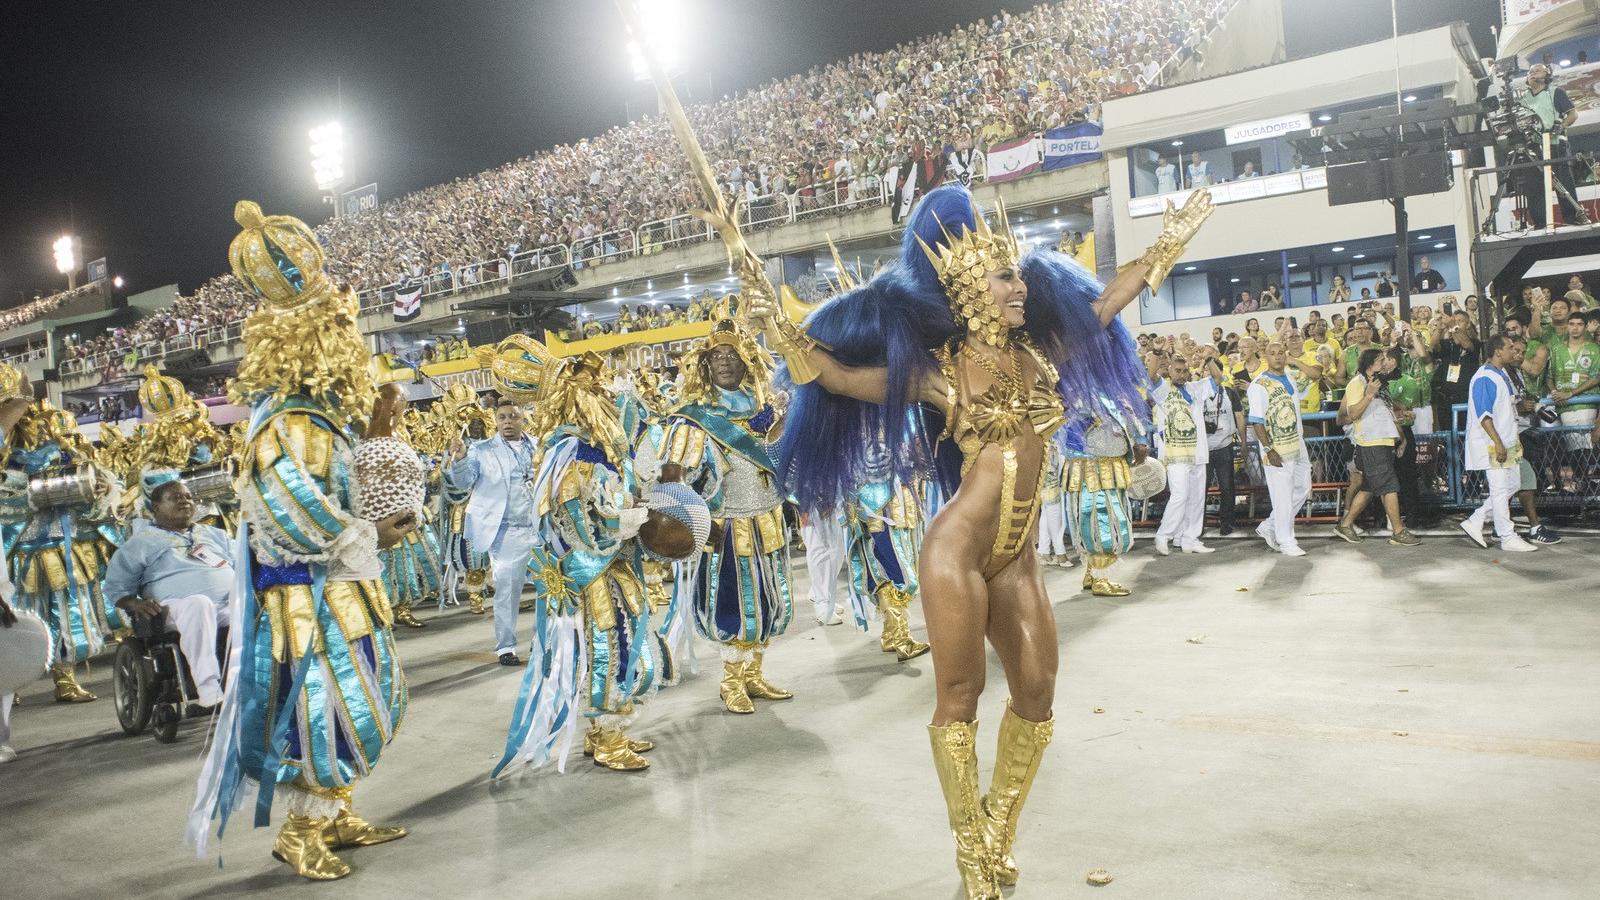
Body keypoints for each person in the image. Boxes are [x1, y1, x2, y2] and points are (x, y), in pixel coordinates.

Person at [762, 183, 1211, 898]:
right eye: (1006, 277)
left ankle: (998, 828)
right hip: (957, 552)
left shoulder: (1040, 354)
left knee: (1036, 696)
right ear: (972, 289)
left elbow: (1105, 305)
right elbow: (842, 379)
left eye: (1018, 276)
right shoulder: (938, 372)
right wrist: (786, 332)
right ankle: (971, 854)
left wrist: (1168, 243)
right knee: (961, 697)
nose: (1021, 286)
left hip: (1018, 561)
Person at [189, 202, 416, 880]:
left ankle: (334, 809)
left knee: (364, 694)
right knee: (320, 706)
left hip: (347, 588)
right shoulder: (285, 422)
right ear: (315, 343)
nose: (357, 347)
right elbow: (289, 515)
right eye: (344, 334)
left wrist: (380, 443)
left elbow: (347, 486)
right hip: (307, 598)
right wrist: (369, 530)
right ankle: (298, 830)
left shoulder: (329, 417)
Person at [482, 335, 662, 773]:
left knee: (620, 639)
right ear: (576, 402)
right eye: (595, 391)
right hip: (591, 571)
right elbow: (577, 521)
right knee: (606, 645)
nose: (604, 395)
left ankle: (606, 730)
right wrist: (630, 520)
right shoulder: (570, 453)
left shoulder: (592, 446)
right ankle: (606, 738)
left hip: (611, 564)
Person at [660, 302, 795, 715]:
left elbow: (783, 461)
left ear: (747, 362)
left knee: (769, 600)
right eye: (716, 356)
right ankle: (730, 681)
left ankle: (753, 674)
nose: (723, 362)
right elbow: (671, 480)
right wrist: (695, 521)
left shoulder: (767, 409)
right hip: (726, 527)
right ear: (704, 366)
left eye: (732, 355)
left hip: (767, 519)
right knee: (732, 603)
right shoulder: (695, 419)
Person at [0, 397, 121, 702]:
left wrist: (100, 488)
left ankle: (64, 679)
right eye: (30, 423)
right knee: (18, 617)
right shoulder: (7, 461)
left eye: (43, 426)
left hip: (66, 547)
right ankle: (9, 680)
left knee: (66, 614)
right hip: (22, 550)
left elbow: (97, 490)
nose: (38, 430)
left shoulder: (67, 454)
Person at [102, 479, 232, 708]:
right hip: (174, 609)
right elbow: (116, 586)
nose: (185, 501)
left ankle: (248, 683)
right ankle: (209, 690)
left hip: (225, 605)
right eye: (176, 498)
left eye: (188, 497)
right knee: (199, 604)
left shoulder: (214, 534)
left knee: (251, 607)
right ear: (156, 508)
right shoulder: (140, 543)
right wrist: (134, 603)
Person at [447, 397, 540, 666]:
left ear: (524, 419)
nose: (508, 421)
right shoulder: (482, 450)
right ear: (496, 421)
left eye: (514, 416)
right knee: (508, 591)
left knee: (548, 589)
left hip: (540, 530)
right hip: (507, 532)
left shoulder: (539, 446)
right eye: (502, 417)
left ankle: (541, 641)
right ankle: (506, 647)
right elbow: (463, 482)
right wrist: (461, 459)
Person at [842, 443, 931, 661]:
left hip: (889, 506)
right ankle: (901, 638)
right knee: (898, 573)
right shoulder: (869, 423)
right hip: (881, 509)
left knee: (885, 571)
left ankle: (891, 634)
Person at [1333, 349, 1421, 546]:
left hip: (1382, 441)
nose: (1387, 363)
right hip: (1370, 442)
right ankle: (1398, 531)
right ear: (1370, 364)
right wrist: (1369, 395)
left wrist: (1400, 429)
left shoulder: (1380, 385)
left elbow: (1383, 413)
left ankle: (1346, 524)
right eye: (1382, 360)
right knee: (1389, 485)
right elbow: (1353, 413)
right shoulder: (1357, 383)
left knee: (1370, 487)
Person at [1460, 336, 1538, 552]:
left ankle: (1476, 520)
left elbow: (1507, 412)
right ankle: (1507, 536)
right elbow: (1484, 416)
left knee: (1512, 484)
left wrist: (1513, 441)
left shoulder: (1501, 374)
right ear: (1497, 351)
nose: (1514, 351)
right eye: (1510, 348)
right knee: (1500, 488)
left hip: (1507, 441)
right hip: (1493, 443)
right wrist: (1498, 443)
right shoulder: (1484, 377)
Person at [1247, 341, 1324, 556]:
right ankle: (1286, 540)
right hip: (1277, 446)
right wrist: (1269, 449)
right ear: (1266, 357)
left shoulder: (1289, 375)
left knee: (1303, 488)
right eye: (1273, 353)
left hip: (1297, 442)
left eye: (1281, 353)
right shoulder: (1259, 385)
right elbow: (1256, 421)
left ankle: (1270, 526)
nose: (1278, 357)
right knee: (1282, 495)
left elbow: (1316, 376)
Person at [1152, 357, 1217, 555]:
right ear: (1170, 371)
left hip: (1198, 452)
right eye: (1177, 370)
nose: (1181, 375)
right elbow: (1150, 375)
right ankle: (1164, 535)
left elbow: (1218, 377)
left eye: (1184, 371)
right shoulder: (1163, 390)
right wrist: (1156, 353)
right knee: (1179, 495)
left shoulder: (1195, 388)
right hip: (1175, 454)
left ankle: (1190, 539)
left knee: (1196, 498)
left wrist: (1209, 359)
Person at [1518, 64, 1590, 228]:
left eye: (1537, 71)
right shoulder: (1522, 98)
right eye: (1530, 72)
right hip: (1533, 146)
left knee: (1563, 182)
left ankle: (1572, 219)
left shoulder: (1556, 92)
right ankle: (1540, 223)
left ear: (1547, 75)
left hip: (1555, 143)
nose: (1532, 74)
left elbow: (1573, 113)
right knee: (1534, 185)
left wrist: (1563, 125)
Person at [800, 507, 848, 625]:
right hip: (813, 499)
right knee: (820, 548)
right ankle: (822, 604)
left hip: (836, 496)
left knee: (838, 548)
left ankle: (819, 594)